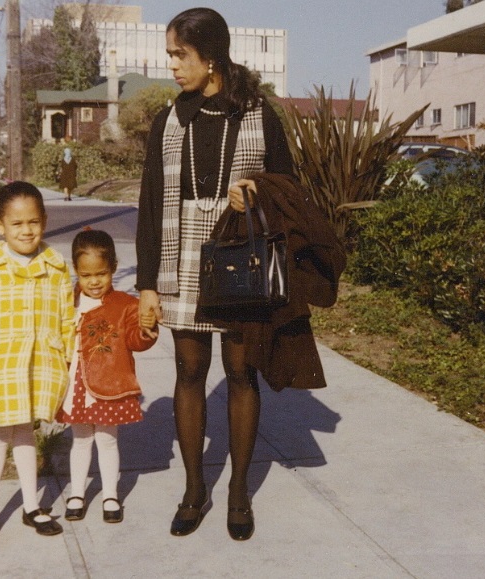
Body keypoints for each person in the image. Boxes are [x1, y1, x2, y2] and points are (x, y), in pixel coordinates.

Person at [136, 7, 344, 542]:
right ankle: (193, 489)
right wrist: (145, 286)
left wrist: (253, 190)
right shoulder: (169, 118)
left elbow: (288, 187)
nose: (173, 67)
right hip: (180, 255)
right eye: (171, 57)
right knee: (187, 372)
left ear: (211, 55)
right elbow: (150, 203)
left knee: (240, 372)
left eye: (180, 56)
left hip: (239, 255)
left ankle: (236, 493)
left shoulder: (258, 113)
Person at [0, 181, 75, 546]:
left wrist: (67, 359)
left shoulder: (56, 267)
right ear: (0, 226)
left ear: (44, 221)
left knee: (25, 432)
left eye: (34, 222)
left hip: (39, 363)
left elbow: (66, 317)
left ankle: (31, 505)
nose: (26, 230)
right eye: (17, 223)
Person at [56, 229, 157, 523]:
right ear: (76, 271)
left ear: (113, 267)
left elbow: (136, 341)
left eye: (101, 273)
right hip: (76, 384)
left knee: (107, 440)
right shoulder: (67, 301)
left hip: (109, 384)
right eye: (86, 276)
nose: (94, 281)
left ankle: (111, 494)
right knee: (81, 440)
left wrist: (146, 328)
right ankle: (77, 493)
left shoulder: (125, 304)